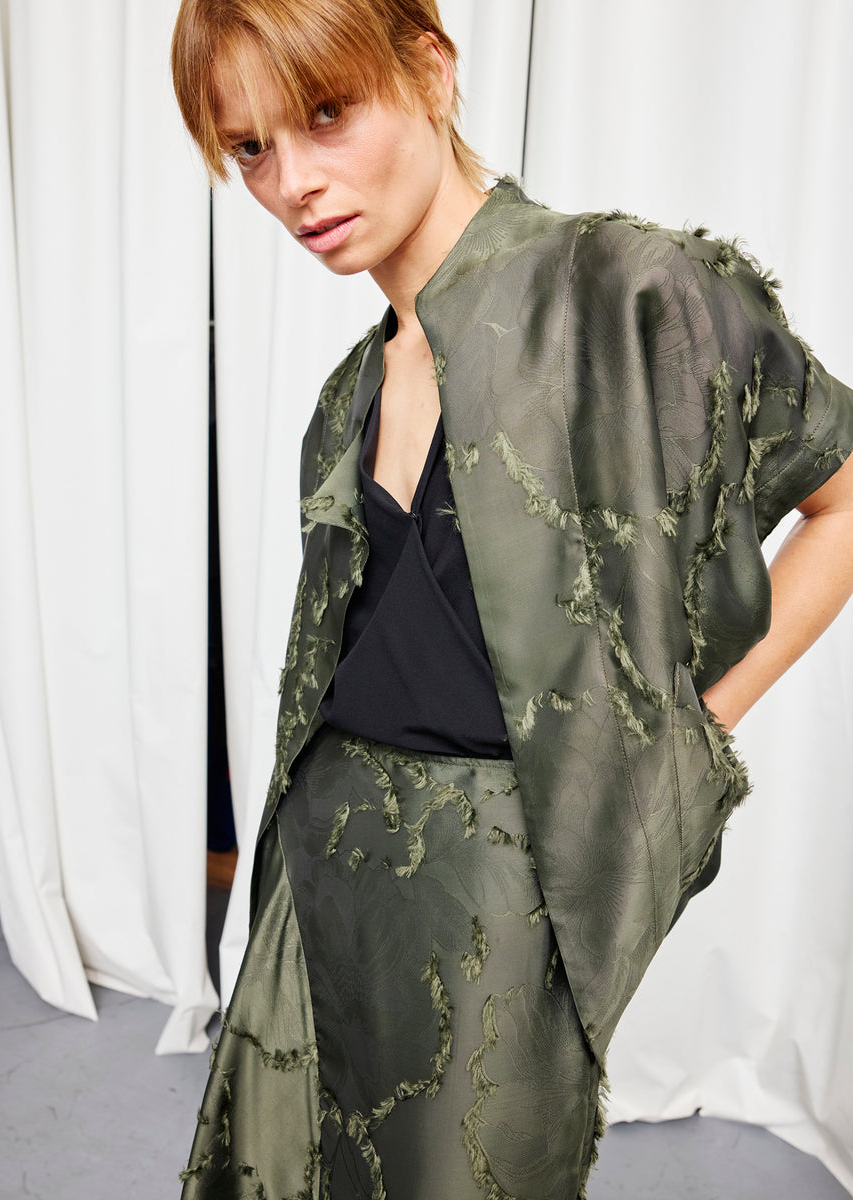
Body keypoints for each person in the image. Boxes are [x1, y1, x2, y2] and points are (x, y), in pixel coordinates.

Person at [170, 2, 853, 1197]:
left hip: (492, 899)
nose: (292, 183)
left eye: (326, 113)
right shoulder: (348, 393)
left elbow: (841, 497)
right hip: (313, 882)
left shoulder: (629, 294)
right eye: (253, 148)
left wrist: (691, 730)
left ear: (430, 71)